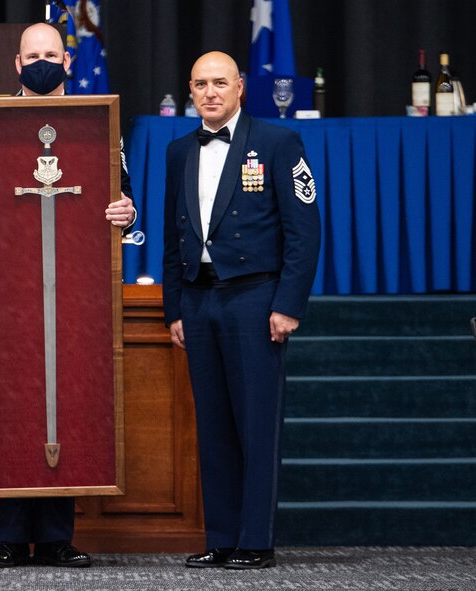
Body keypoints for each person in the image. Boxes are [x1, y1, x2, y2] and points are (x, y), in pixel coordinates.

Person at [0, 23, 136, 569]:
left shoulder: (94, 121)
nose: (41, 62)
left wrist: (127, 210)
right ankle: (10, 535)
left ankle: (58, 535)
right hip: (8, 286)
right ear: (16, 64)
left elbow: (123, 192)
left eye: (50, 54)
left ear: (68, 59)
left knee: (68, 390)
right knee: (13, 391)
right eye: (32, 55)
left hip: (78, 286)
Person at [162, 51, 321, 570]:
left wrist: (288, 305)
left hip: (255, 298)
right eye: (201, 84)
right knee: (212, 426)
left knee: (255, 423)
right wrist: (174, 308)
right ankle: (222, 537)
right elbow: (172, 238)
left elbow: (304, 231)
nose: (210, 92)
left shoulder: (278, 142)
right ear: (190, 89)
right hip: (199, 297)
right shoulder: (178, 150)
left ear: (240, 87)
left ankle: (255, 541)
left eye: (220, 83)